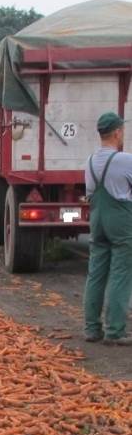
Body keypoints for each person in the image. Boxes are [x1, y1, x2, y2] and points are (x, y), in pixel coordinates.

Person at [84, 112, 132, 346]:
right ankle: (115, 331)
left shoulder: (90, 161)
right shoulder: (125, 160)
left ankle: (92, 329)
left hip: (97, 220)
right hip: (120, 221)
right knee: (120, 274)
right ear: (117, 132)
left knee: (96, 273)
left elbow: (89, 193)